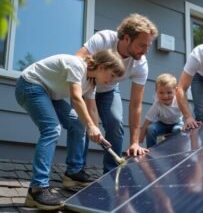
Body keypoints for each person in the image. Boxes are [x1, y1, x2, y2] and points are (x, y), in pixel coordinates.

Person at [14, 49, 125, 210]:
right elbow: (75, 98)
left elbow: (91, 109)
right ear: (102, 66)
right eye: (112, 75)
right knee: (52, 129)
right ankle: (37, 189)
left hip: (49, 94)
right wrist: (91, 126)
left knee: (77, 124)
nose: (111, 81)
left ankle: (73, 172)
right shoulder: (77, 65)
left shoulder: (91, 82)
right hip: (30, 85)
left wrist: (97, 132)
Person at [76, 13, 158, 173]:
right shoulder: (104, 39)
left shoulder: (140, 64)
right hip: (85, 87)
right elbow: (77, 61)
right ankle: (76, 171)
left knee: (115, 122)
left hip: (109, 90)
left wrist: (134, 142)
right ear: (126, 38)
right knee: (84, 124)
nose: (145, 51)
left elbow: (135, 105)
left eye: (148, 46)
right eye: (142, 45)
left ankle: (112, 172)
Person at [139, 73, 183, 148]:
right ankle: (151, 150)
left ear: (176, 91)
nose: (165, 96)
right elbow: (147, 122)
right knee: (150, 129)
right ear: (156, 91)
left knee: (177, 130)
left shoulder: (179, 102)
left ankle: (176, 149)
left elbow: (187, 115)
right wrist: (140, 138)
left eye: (169, 92)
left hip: (177, 123)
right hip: (162, 124)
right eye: (161, 93)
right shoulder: (157, 105)